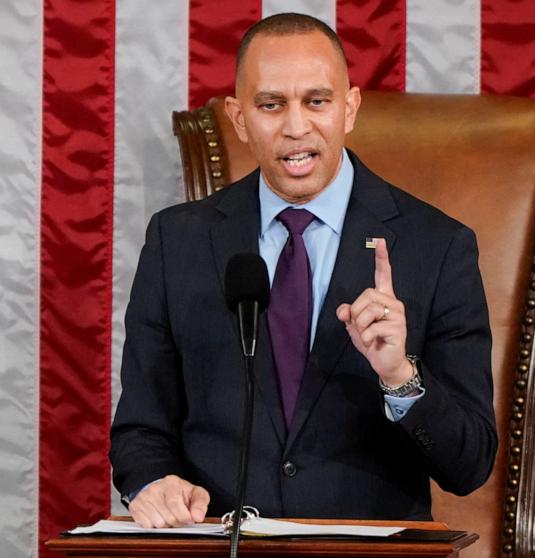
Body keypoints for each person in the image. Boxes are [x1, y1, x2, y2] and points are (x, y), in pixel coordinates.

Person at [110, 13, 496, 529]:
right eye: (271, 105)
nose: (296, 127)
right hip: (221, 544)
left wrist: (400, 377)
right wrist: (153, 481)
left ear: (350, 108)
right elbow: (140, 429)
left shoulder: (438, 247)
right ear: (239, 117)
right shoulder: (176, 241)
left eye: (318, 101)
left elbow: (469, 465)